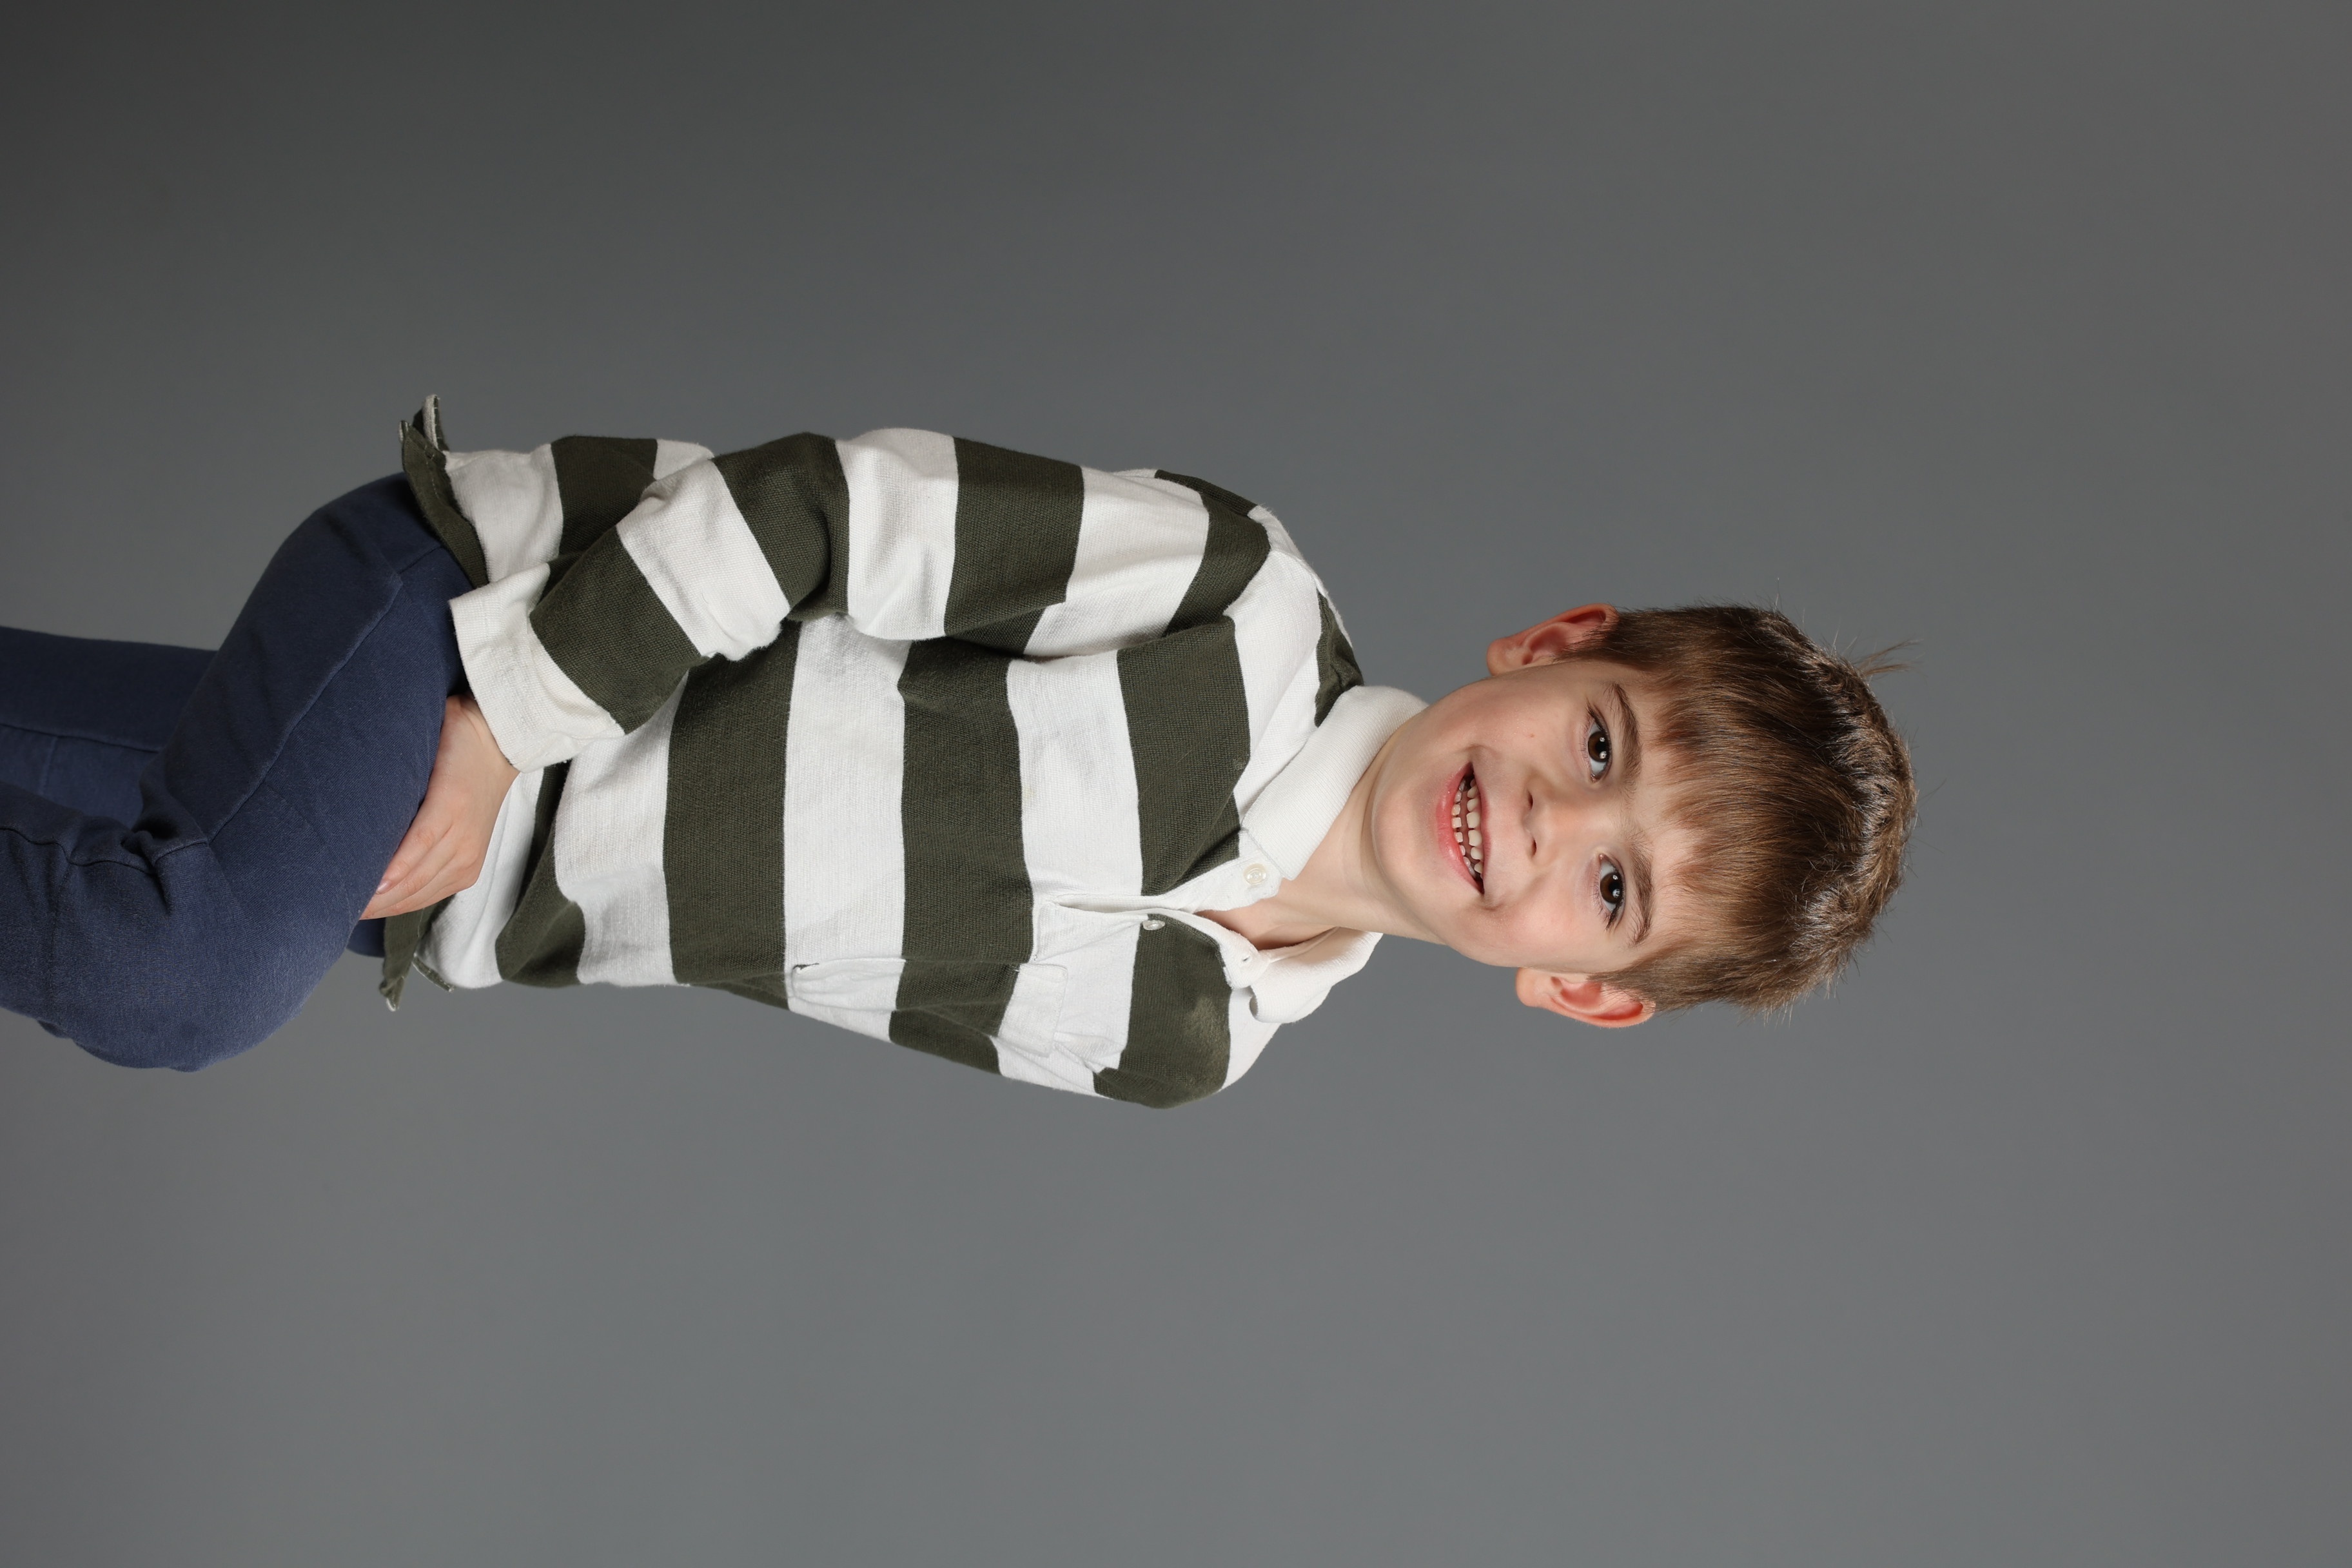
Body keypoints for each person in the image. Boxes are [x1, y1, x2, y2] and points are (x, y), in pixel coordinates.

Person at [0, 401, 1914, 1107]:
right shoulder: (1236, 604)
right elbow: (829, 506)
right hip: (472, 621)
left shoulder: (1189, 1046)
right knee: (183, 973)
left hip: (459, 872)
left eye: (1614, 884)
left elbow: (788, 933)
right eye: (1602, 740)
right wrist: (512, 725)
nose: (1555, 819)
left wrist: (495, 890)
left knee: (79, 789)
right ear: (1558, 647)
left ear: (1586, 986)